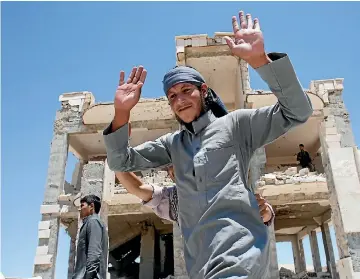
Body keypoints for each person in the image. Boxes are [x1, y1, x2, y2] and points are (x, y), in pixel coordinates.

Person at [104, 10, 313, 279]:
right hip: (200, 266)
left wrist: (260, 60)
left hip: (239, 256)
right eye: (172, 96)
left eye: (185, 91)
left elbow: (297, 112)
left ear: (203, 91)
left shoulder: (237, 126)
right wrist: (121, 113)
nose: (179, 100)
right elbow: (121, 162)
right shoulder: (173, 144)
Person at [115, 165, 275, 225]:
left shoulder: (223, 187)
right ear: (172, 175)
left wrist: (265, 212)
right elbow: (138, 188)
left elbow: (264, 213)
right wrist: (117, 156)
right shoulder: (170, 199)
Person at [72, 195, 109, 279]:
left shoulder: (93, 222)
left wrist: (88, 276)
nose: (79, 209)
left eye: (82, 205)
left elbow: (94, 254)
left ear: (91, 206)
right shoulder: (90, 223)